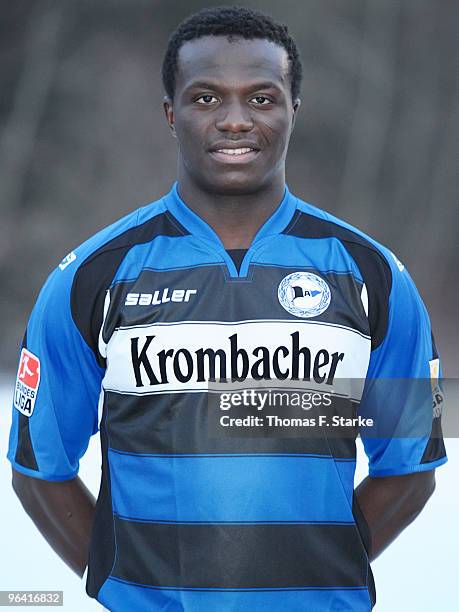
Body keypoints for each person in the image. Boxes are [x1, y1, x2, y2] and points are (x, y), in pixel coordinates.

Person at [7, 6, 447, 612]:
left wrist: (317, 569)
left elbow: (410, 467)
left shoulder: (376, 276)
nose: (235, 121)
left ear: (296, 109)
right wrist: (132, 588)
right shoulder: (91, 277)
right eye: (207, 98)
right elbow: (37, 468)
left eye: (262, 98)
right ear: (171, 113)